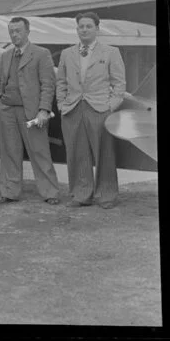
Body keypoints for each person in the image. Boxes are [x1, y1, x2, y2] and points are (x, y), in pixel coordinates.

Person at [56, 11, 126, 209]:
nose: (84, 30)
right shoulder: (67, 53)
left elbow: (119, 85)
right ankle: (81, 194)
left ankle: (107, 195)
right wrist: (62, 104)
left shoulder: (111, 52)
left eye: (88, 26)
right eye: (81, 26)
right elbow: (60, 82)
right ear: (76, 29)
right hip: (73, 109)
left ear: (97, 29)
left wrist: (109, 107)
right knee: (77, 153)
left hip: (100, 109)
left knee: (104, 153)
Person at [0, 17, 60, 205]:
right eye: (11, 31)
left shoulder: (41, 53)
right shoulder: (5, 56)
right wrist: (0, 102)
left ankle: (50, 193)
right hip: (8, 111)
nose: (14, 34)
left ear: (28, 31)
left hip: (31, 112)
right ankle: (9, 192)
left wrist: (44, 110)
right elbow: (0, 83)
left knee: (39, 151)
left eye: (18, 30)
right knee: (9, 152)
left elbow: (48, 84)